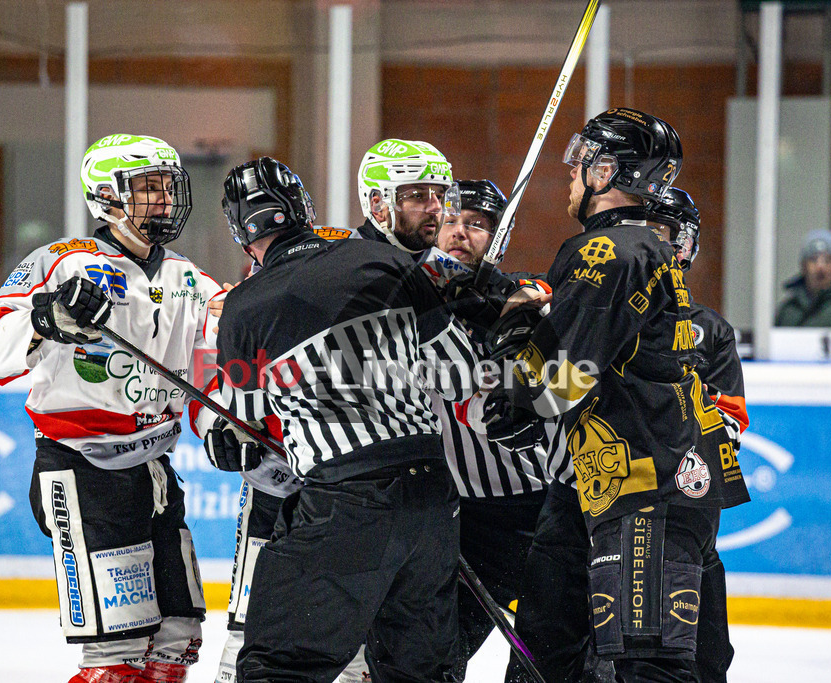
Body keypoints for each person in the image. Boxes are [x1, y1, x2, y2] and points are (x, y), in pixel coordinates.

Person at [480, 108, 749, 681]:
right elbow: (592, 347)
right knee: (565, 649)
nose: (571, 175)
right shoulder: (640, 250)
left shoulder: (609, 252)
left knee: (648, 663)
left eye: (581, 163)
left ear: (606, 171)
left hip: (641, 485)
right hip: (632, 482)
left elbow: (562, 379)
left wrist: (513, 378)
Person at [204, 156, 477, 682]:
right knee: (417, 672)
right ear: (305, 209)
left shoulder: (245, 306)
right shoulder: (385, 262)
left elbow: (243, 415)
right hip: (432, 500)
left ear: (242, 235)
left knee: (279, 667)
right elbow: (461, 375)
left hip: (346, 500)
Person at [0, 134, 223, 683]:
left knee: (177, 641)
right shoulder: (61, 263)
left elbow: (218, 362)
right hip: (81, 471)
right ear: (107, 197)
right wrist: (48, 320)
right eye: (147, 189)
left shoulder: (188, 277)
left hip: (155, 472)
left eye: (166, 187)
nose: (162, 200)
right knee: (118, 656)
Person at [433, 179, 552, 680]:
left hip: (544, 509)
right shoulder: (410, 304)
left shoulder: (524, 301)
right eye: (450, 222)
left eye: (477, 225)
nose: (461, 233)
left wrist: (519, 316)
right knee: (434, 656)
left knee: (546, 662)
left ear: (498, 237)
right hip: (465, 521)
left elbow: (575, 385)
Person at [648, 187, 752, 682]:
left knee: (705, 658)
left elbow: (732, 422)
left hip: (690, 515)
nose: (652, 245)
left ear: (685, 245)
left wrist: (691, 410)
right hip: (614, 511)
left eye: (663, 234)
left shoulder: (711, 330)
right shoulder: (604, 315)